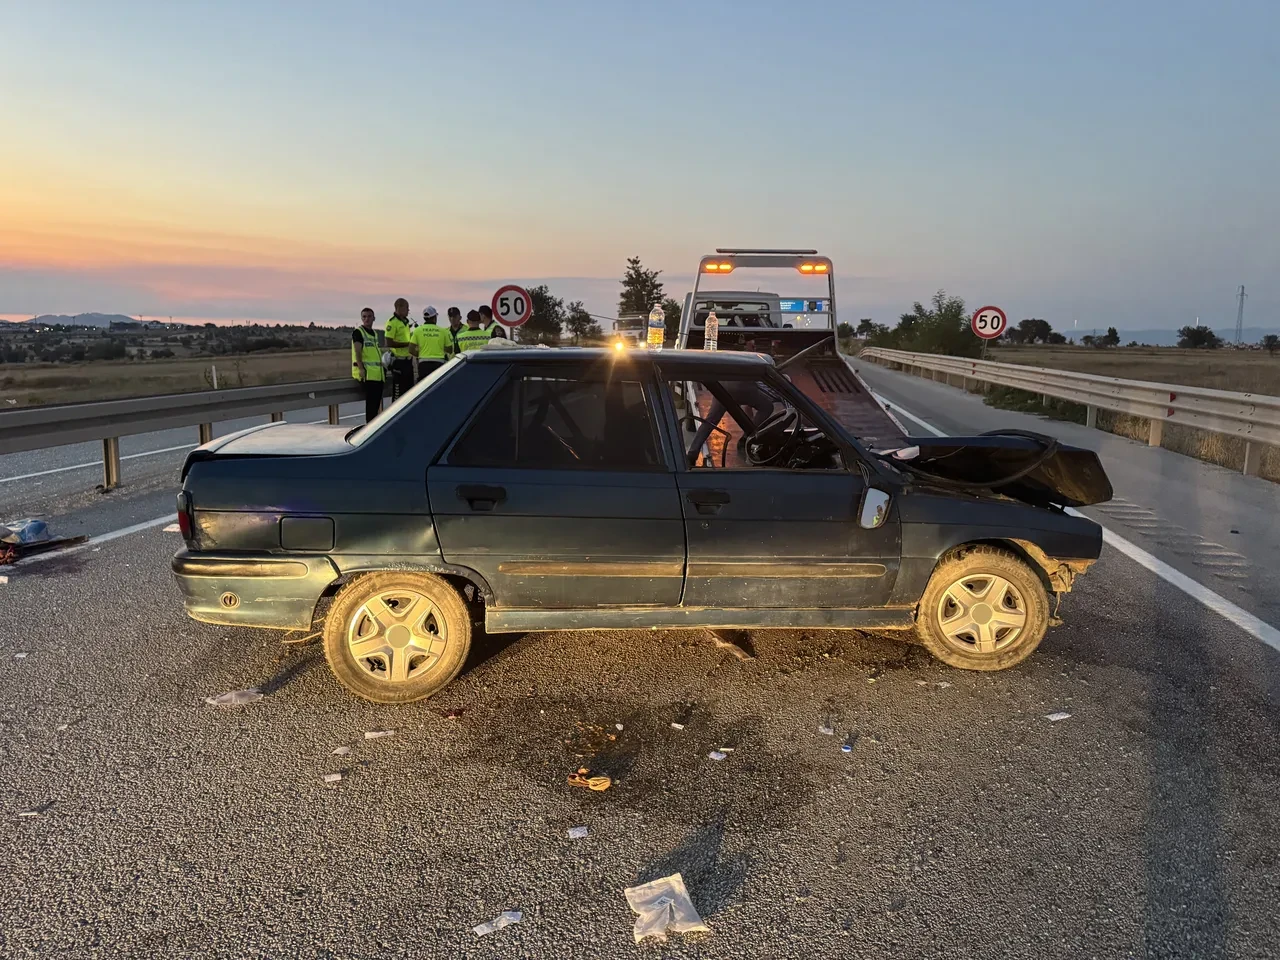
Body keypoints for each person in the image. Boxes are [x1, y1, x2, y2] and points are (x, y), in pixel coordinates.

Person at [351, 307, 385, 423]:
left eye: (369, 316)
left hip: (378, 375)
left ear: (374, 318)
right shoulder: (358, 332)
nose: (367, 319)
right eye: (364, 317)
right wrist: (361, 369)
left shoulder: (374, 334)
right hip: (368, 375)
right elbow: (357, 352)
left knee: (375, 408)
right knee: (371, 410)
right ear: (361, 318)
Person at [384, 298, 415, 401]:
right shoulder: (392, 322)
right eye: (407, 307)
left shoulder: (405, 322)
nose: (408, 310)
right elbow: (389, 342)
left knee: (409, 393)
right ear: (399, 307)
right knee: (398, 395)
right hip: (398, 362)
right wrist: (407, 344)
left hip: (408, 361)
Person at [411, 305, 451, 379]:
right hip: (439, 363)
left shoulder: (417, 331)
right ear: (435, 317)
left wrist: (420, 354)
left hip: (423, 363)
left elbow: (411, 349)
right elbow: (450, 349)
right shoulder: (443, 331)